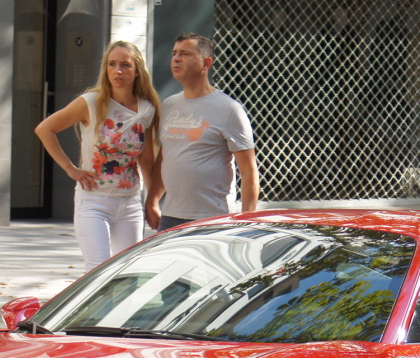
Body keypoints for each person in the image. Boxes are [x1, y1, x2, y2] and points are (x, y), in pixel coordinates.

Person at [35, 41, 159, 270]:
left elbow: (147, 160)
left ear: (137, 70)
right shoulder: (91, 102)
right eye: (112, 64)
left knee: (127, 274)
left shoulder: (146, 109)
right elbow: (44, 129)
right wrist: (70, 168)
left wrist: (152, 202)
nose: (118, 70)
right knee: (98, 273)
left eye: (125, 64)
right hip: (93, 201)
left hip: (129, 202)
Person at [146, 33, 258, 231]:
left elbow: (248, 171)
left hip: (213, 219)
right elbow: (165, 157)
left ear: (206, 63)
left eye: (185, 54)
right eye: (174, 53)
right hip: (171, 216)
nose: (176, 59)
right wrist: (153, 200)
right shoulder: (169, 105)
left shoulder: (229, 109)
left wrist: (246, 221)